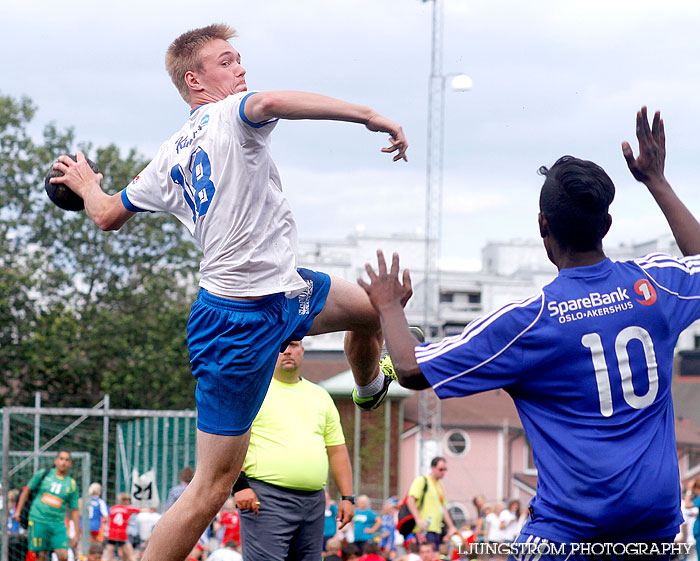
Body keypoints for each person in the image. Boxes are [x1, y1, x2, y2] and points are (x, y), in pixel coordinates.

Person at [50, 23, 411, 561]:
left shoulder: (169, 155)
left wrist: (87, 185)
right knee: (211, 489)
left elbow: (105, 215)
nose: (240, 68)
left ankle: (367, 390)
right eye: (227, 61)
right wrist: (369, 115)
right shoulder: (230, 114)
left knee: (375, 312)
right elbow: (275, 100)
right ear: (196, 80)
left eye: (239, 58)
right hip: (235, 320)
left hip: (288, 290)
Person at [359, 107, 700, 558]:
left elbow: (408, 368)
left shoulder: (530, 322)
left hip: (570, 536)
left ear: (543, 227)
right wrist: (656, 180)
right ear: (608, 226)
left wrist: (387, 307)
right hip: (653, 535)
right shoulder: (654, 285)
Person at [233, 340, 355, 560]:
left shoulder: (321, 396)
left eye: (293, 344)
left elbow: (337, 450)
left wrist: (347, 497)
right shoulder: (253, 391)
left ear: (302, 351)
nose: (287, 350)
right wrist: (239, 485)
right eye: (280, 346)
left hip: (313, 502)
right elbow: (231, 441)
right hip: (265, 499)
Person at [13, 451, 79, 561]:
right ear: (56, 460)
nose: (63, 462)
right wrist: (18, 511)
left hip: (57, 523)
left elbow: (75, 509)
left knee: (63, 555)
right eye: (61, 459)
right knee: (40, 555)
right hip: (38, 519)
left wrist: (76, 533)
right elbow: (26, 491)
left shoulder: (71, 483)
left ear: (70, 464)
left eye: (67, 460)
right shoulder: (44, 473)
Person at [404, 457, 457, 549]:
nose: (443, 472)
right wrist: (418, 519)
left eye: (445, 469)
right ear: (433, 468)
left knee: (435, 556)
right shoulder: (422, 480)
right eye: (440, 469)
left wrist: (451, 527)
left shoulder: (439, 485)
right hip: (424, 529)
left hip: (437, 529)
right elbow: (410, 500)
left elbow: (443, 508)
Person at [104, 493, 140, 561]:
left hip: (112, 534)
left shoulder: (112, 508)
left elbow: (107, 520)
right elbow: (140, 510)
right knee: (131, 554)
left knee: (108, 555)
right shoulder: (127, 509)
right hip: (121, 534)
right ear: (126, 500)